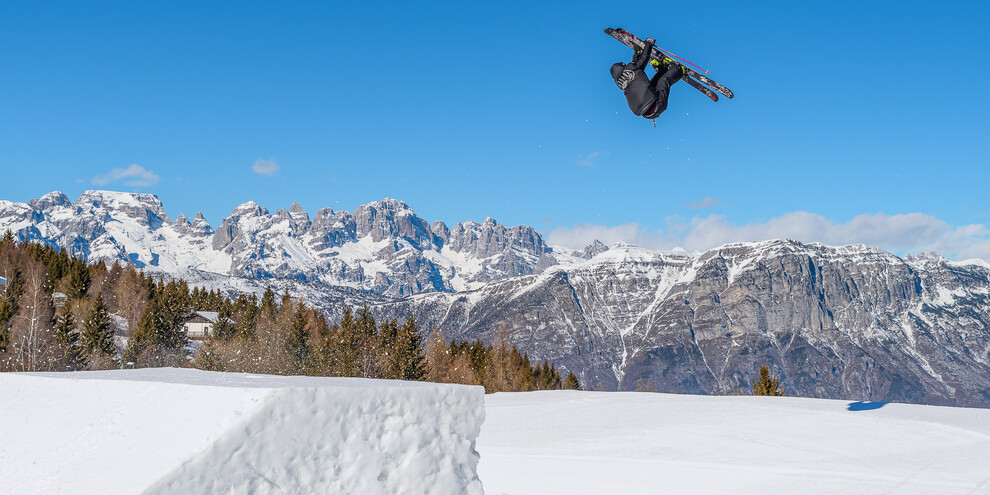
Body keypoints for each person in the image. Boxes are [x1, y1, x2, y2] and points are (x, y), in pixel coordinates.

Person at [610, 37, 683, 120]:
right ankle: (679, 70)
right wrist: (649, 43)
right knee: (663, 81)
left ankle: (663, 70)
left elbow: (636, 65)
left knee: (650, 86)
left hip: (648, 114)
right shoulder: (631, 70)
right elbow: (645, 57)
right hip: (657, 105)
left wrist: (637, 52)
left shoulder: (621, 82)